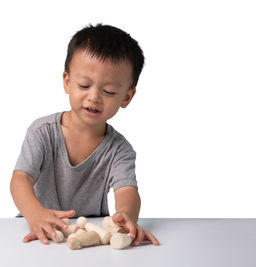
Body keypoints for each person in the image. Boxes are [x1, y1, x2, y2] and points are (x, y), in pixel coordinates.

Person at [10, 23, 159, 246]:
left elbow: (127, 190)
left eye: (108, 91)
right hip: (40, 233)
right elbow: (20, 179)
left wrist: (126, 216)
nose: (94, 97)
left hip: (91, 238)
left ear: (127, 98)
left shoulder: (120, 149)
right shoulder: (42, 132)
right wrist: (34, 214)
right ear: (68, 82)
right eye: (84, 85)